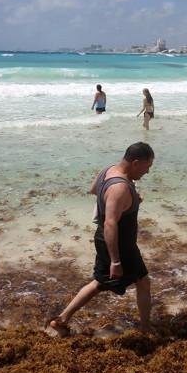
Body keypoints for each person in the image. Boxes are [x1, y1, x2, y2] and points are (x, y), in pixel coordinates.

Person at [48, 142, 155, 335]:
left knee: (99, 283)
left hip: (104, 240)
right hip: (119, 244)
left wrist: (128, 200)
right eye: (147, 167)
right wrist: (116, 261)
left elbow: (94, 190)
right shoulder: (120, 187)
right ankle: (146, 329)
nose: (147, 172)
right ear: (136, 163)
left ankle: (61, 320)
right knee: (143, 283)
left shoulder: (107, 171)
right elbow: (110, 224)